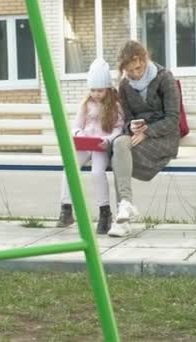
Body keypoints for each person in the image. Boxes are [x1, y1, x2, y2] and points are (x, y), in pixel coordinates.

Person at [107, 40, 181, 237]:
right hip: (139, 136)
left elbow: (173, 119)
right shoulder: (124, 85)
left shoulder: (164, 77)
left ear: (145, 59)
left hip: (163, 138)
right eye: (130, 71)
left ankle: (122, 220)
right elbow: (129, 118)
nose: (135, 74)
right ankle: (125, 205)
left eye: (138, 68)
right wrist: (131, 126)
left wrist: (148, 131)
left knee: (118, 158)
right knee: (119, 143)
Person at [57, 58, 124, 235]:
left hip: (101, 146)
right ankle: (66, 209)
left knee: (97, 173)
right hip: (85, 144)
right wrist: (79, 135)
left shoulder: (115, 106)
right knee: (69, 167)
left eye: (100, 90)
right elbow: (76, 127)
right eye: (93, 90)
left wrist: (108, 140)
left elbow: (119, 128)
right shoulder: (86, 104)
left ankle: (104, 213)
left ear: (108, 89)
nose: (96, 94)